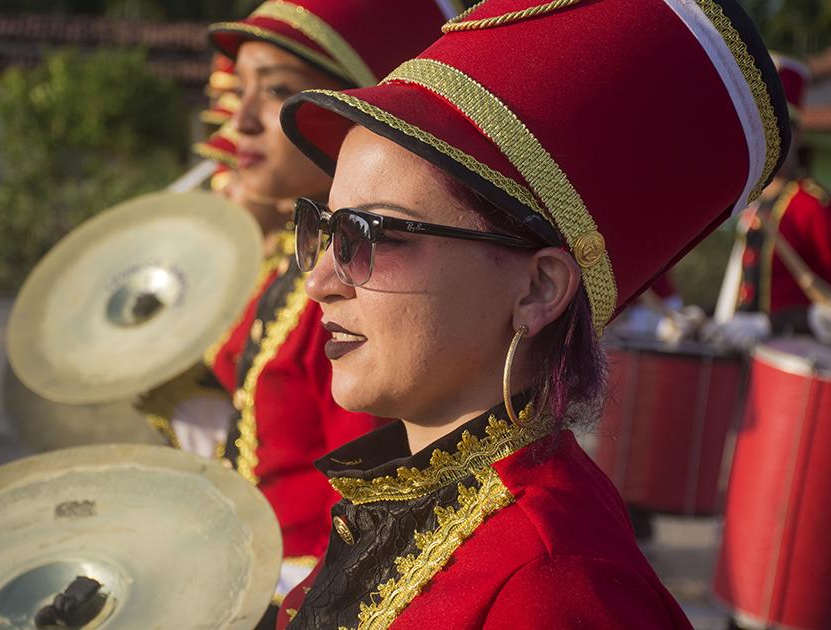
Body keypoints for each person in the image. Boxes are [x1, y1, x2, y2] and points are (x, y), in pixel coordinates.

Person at [275, 0, 790, 626]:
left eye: (370, 235)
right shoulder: (408, 501)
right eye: (325, 229)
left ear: (539, 289)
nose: (320, 282)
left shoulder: (553, 584)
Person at [199, 0, 456, 611]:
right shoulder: (290, 274)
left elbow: (367, 511)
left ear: (351, 109)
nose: (244, 120)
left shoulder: (368, 292)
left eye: (279, 91)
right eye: (242, 91)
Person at [712, 52, 831, 347]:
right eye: (767, 126)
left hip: (794, 358)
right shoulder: (750, 203)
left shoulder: (810, 205)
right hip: (744, 353)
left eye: (784, 126)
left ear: (799, 134)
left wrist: (774, 323)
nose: (775, 138)